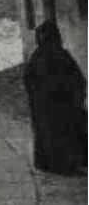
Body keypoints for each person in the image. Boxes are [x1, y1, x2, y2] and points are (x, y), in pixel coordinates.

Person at [24, 20, 87, 174]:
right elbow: (78, 79)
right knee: (65, 134)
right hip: (62, 106)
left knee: (48, 134)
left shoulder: (36, 57)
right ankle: (67, 165)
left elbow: (28, 80)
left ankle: (48, 163)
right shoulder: (61, 55)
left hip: (46, 107)